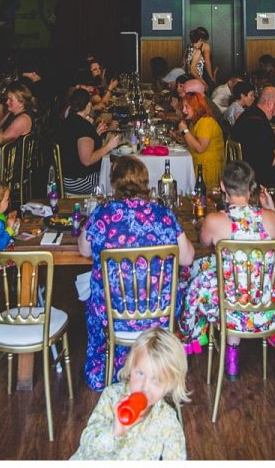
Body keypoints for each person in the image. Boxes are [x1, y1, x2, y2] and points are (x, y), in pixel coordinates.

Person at [78, 157, 196, 391]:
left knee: (90, 295)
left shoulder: (103, 214)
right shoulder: (163, 214)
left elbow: (83, 249)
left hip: (113, 313)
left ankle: (115, 367)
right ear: (145, 183)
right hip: (158, 313)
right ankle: (155, 367)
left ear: (114, 184)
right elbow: (188, 258)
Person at [178, 161, 275, 372]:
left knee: (200, 275)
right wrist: (271, 210)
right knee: (271, 280)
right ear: (252, 186)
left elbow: (204, 243)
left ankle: (228, 354)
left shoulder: (214, 220)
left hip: (228, 305)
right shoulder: (271, 219)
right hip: (266, 303)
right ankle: (273, 332)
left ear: (222, 186)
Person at [70, 327, 189, 461]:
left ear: (170, 385)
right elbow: (87, 446)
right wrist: (115, 432)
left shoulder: (167, 420)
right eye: (140, 373)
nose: (144, 387)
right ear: (130, 367)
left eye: (156, 380)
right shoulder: (111, 396)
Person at [59, 87, 122, 195]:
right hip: (80, 181)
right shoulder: (83, 126)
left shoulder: (68, 121)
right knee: (117, 178)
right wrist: (108, 146)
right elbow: (87, 160)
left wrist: (95, 134)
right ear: (88, 105)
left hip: (66, 178)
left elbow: (74, 143)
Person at [172, 91, 225, 192]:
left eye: (187, 107)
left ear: (197, 107)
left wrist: (184, 130)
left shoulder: (206, 122)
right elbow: (193, 142)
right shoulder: (196, 121)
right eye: (183, 107)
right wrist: (181, 137)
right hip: (196, 162)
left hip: (207, 168)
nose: (183, 110)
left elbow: (200, 148)